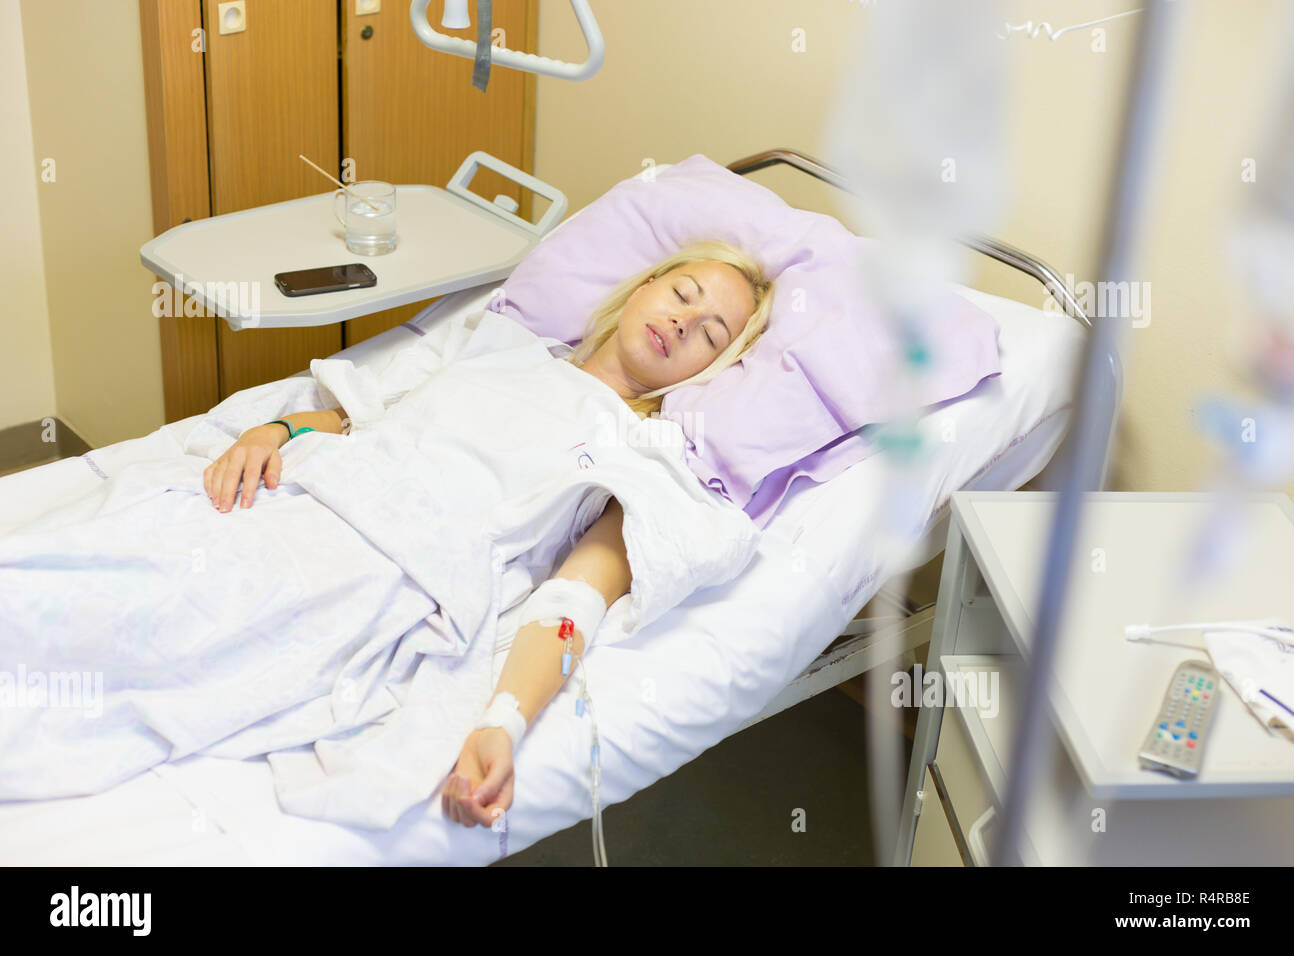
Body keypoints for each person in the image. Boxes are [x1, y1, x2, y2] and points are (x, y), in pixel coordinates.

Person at [3, 240, 773, 831]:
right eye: (682, 293)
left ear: (711, 370)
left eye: (711, 332)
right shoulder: (502, 348)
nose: (682, 320)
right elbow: (351, 419)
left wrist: (502, 724)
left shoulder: (634, 457)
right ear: (645, 286)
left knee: (133, 638)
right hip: (300, 496)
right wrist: (271, 430)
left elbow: (574, 601)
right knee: (81, 562)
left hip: (367, 575)